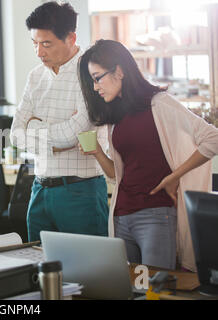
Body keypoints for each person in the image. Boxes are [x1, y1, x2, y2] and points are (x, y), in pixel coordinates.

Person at [78, 39, 218, 270]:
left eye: (97, 78)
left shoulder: (159, 104)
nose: (95, 87)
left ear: (119, 71)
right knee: (128, 289)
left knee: (155, 289)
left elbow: (212, 139)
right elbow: (118, 176)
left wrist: (174, 177)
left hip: (155, 214)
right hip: (121, 216)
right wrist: (97, 153)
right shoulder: (115, 118)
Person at [10, 2, 109, 242]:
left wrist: (34, 126)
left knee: (88, 273)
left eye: (46, 44)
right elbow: (14, 135)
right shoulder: (35, 76)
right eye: (34, 43)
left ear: (71, 38)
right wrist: (56, 141)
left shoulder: (90, 72)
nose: (39, 52)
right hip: (40, 190)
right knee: (42, 271)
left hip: (80, 191)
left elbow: (74, 134)